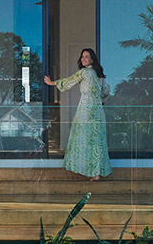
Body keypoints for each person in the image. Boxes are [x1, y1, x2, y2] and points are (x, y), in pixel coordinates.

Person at [44, 48, 112, 180]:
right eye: (82, 57)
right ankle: (96, 173)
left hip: (86, 109)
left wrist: (52, 83)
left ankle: (85, 169)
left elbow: (69, 81)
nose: (83, 59)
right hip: (97, 110)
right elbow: (105, 92)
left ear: (92, 59)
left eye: (86, 57)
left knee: (83, 138)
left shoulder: (84, 72)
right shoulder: (99, 75)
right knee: (97, 141)